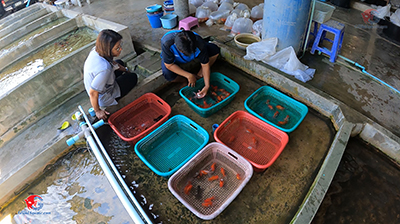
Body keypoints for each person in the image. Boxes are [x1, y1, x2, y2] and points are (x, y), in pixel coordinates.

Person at [84, 29, 138, 120]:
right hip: (104, 96)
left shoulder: (96, 50)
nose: (120, 49)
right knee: (133, 77)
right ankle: (114, 96)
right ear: (108, 49)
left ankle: (123, 73)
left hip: (100, 82)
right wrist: (97, 111)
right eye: (117, 48)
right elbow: (93, 93)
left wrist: (125, 69)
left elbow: (112, 62)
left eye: (120, 45)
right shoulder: (104, 69)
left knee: (119, 62)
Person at [161, 30, 220, 98]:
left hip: (196, 51)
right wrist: (188, 75)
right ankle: (183, 80)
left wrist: (207, 86)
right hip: (175, 59)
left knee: (214, 50)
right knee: (167, 74)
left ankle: (199, 76)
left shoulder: (199, 43)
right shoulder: (167, 43)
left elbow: (205, 65)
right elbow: (169, 65)